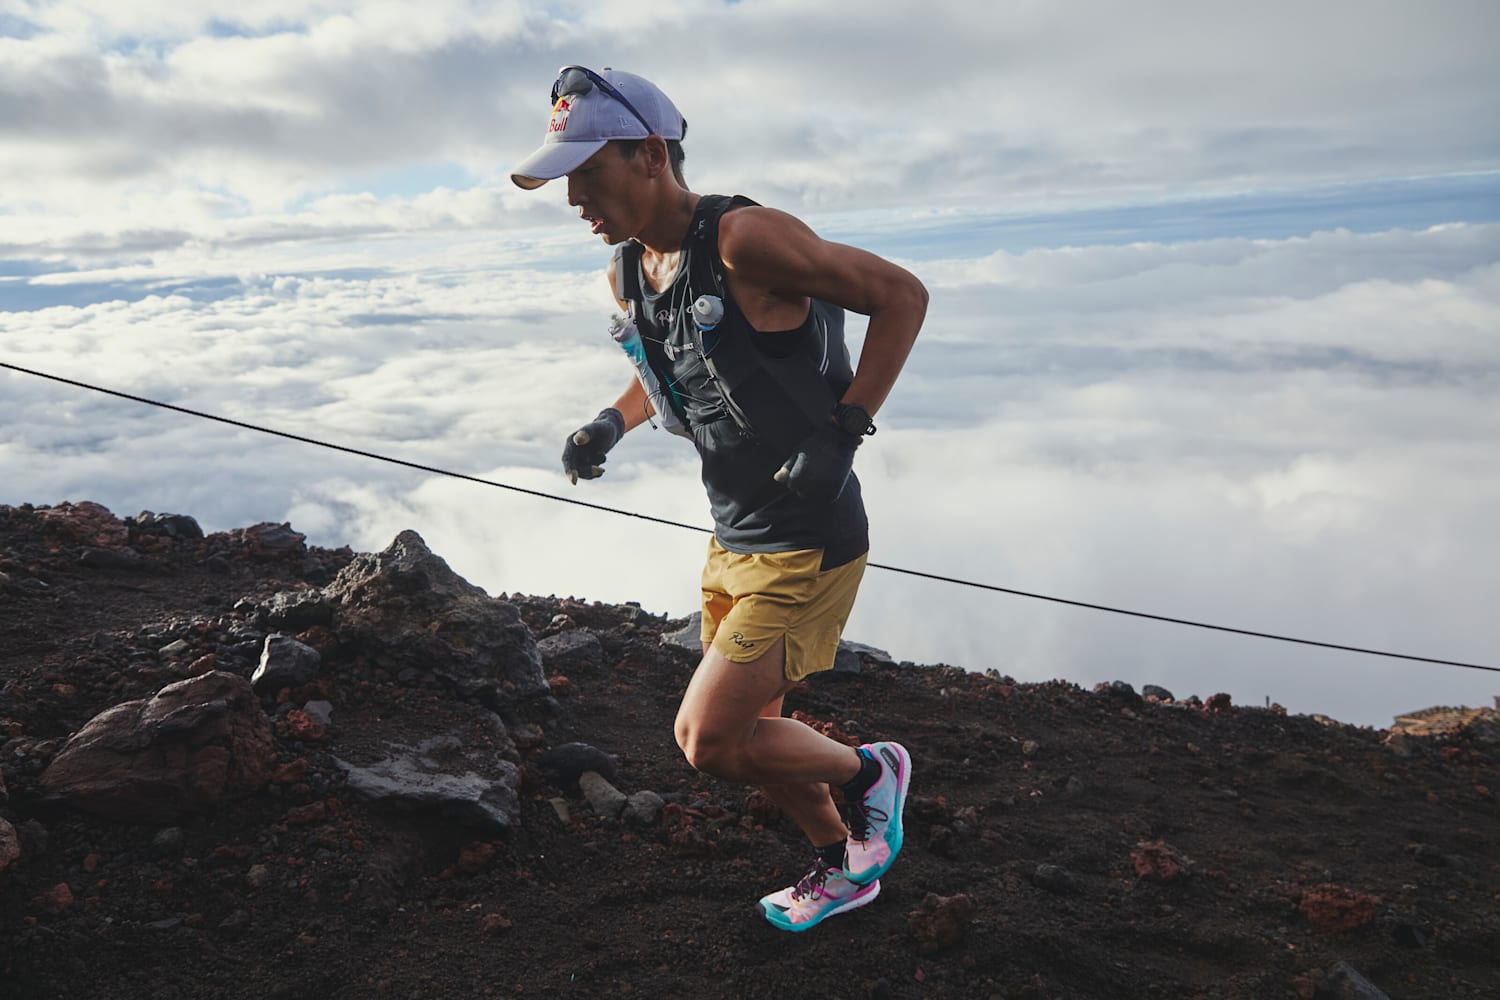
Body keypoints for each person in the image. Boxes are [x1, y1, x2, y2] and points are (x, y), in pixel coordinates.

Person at [512, 66, 927, 931]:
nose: (573, 198)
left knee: (709, 741)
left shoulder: (745, 239)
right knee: (757, 739)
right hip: (733, 532)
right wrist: (609, 424)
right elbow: (670, 373)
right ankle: (842, 863)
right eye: (564, 179)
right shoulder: (629, 274)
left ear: (651, 155)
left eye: (589, 172)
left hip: (809, 534)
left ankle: (871, 773)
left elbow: (901, 296)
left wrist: (842, 434)